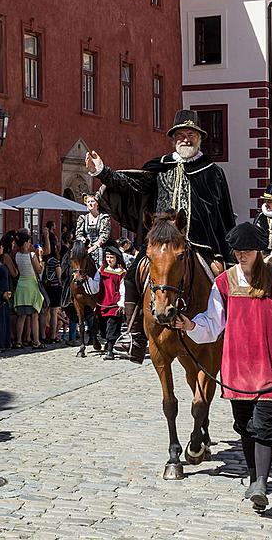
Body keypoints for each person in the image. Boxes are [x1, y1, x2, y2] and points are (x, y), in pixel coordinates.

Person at [174, 222, 272, 510]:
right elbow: (213, 323)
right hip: (236, 367)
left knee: (264, 426)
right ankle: (252, 477)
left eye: (246, 251)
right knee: (245, 426)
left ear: (259, 252)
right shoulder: (223, 282)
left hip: (268, 365)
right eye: (237, 251)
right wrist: (190, 325)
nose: (241, 256)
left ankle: (261, 482)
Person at [87, 109, 236, 364]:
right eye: (181, 134)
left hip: (200, 244)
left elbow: (222, 214)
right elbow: (130, 184)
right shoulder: (161, 167)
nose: (186, 139)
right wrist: (103, 172)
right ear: (173, 138)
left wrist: (228, 248)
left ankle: (230, 331)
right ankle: (135, 336)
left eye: (191, 134)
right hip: (162, 243)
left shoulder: (212, 171)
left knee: (223, 277)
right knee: (134, 274)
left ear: (199, 137)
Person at [13, 231, 44, 349]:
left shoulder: (16, 254)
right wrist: (40, 257)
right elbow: (39, 270)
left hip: (21, 284)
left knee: (22, 316)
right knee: (34, 315)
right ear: (26, 242)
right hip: (31, 285)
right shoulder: (31, 255)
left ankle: (19, 341)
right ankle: (36, 341)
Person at [94, 246, 126, 361]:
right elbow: (96, 285)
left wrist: (122, 303)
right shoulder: (101, 270)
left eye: (111, 257)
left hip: (114, 304)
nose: (109, 259)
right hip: (102, 303)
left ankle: (110, 350)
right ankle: (107, 343)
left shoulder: (121, 272)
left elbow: (123, 288)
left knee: (112, 327)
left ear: (117, 258)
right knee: (103, 329)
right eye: (107, 257)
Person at [74, 194, 111, 268]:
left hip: (101, 247)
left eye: (92, 201)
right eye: (88, 202)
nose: (90, 203)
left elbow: (104, 235)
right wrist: (82, 240)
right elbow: (79, 233)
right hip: (86, 247)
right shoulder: (83, 218)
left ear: (97, 203)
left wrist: (95, 246)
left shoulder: (104, 218)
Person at [41, 232, 63, 344]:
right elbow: (59, 276)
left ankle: (43, 335)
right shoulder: (55, 261)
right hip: (54, 287)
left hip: (45, 287)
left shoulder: (43, 259)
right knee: (54, 313)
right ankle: (53, 335)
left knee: (44, 312)